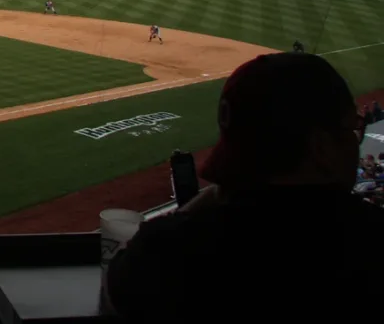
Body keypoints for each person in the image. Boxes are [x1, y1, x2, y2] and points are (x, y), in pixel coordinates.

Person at [103, 53, 384, 323]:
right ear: (321, 147)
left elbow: (119, 282)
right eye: (353, 129)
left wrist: (215, 196)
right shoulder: (370, 243)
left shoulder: (170, 252)